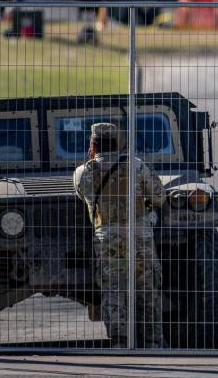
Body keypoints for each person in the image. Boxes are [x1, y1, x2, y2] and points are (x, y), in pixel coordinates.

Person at [73, 122, 166, 347]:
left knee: (113, 289)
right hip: (139, 234)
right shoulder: (136, 166)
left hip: (106, 237)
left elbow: (82, 196)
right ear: (118, 143)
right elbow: (159, 197)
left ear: (92, 145)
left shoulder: (82, 172)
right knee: (146, 288)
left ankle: (120, 340)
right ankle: (152, 341)